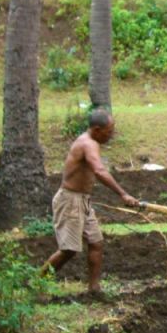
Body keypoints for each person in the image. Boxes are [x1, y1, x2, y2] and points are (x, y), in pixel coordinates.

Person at [41, 108, 141, 296]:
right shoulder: (88, 144)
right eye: (109, 131)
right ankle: (38, 283)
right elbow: (99, 171)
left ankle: (94, 289)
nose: (111, 135)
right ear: (96, 129)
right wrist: (123, 194)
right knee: (68, 250)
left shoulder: (92, 141)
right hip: (70, 200)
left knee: (96, 242)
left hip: (83, 200)